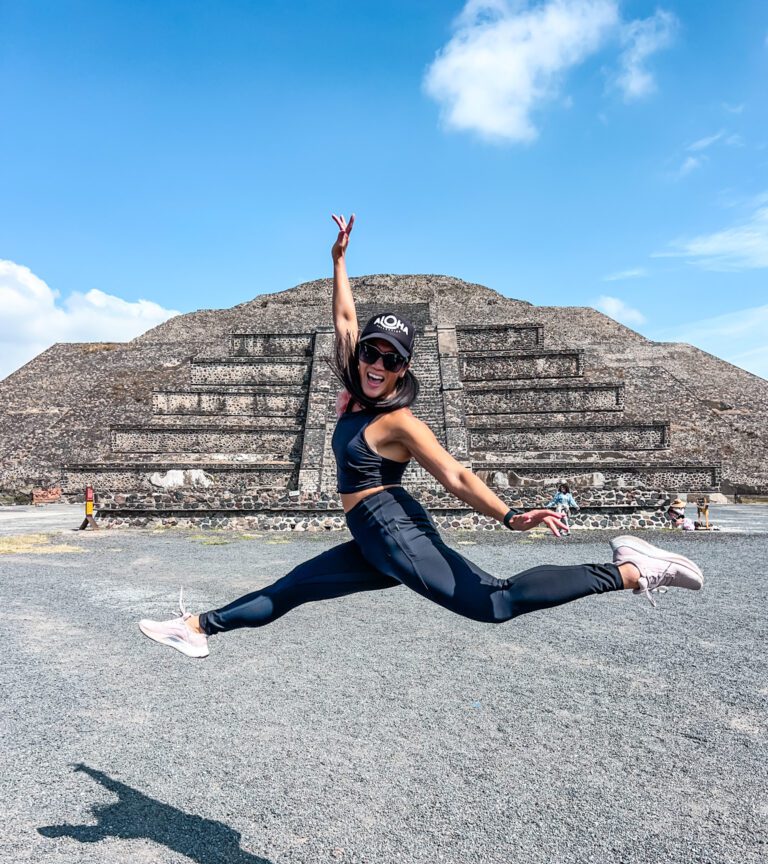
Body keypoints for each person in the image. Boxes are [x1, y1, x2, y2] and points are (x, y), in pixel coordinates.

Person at [138, 214, 705, 658]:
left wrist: (510, 516)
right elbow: (342, 322)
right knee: (293, 590)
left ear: (405, 369)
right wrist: (338, 261)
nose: (377, 363)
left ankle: (631, 569)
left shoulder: (398, 421)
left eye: (391, 359)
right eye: (372, 352)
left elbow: (455, 474)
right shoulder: (354, 391)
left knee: (495, 602)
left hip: (391, 526)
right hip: (372, 537)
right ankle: (195, 627)